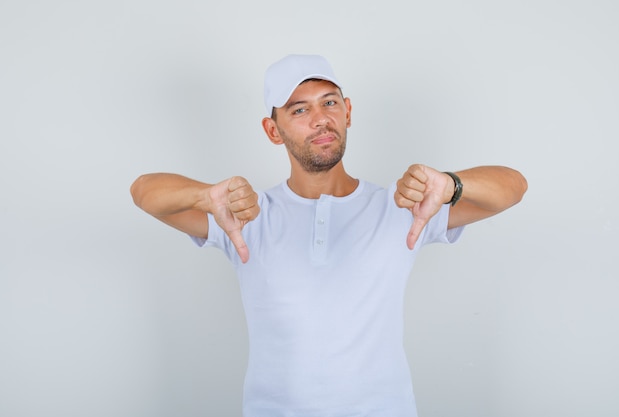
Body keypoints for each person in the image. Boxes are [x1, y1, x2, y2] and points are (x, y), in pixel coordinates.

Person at [131, 54, 527, 417]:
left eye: (329, 102)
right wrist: (204, 195)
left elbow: (513, 187)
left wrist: (452, 186)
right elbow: (144, 192)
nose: (320, 118)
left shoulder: (402, 206)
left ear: (348, 111)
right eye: (299, 109)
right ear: (273, 130)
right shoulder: (246, 215)